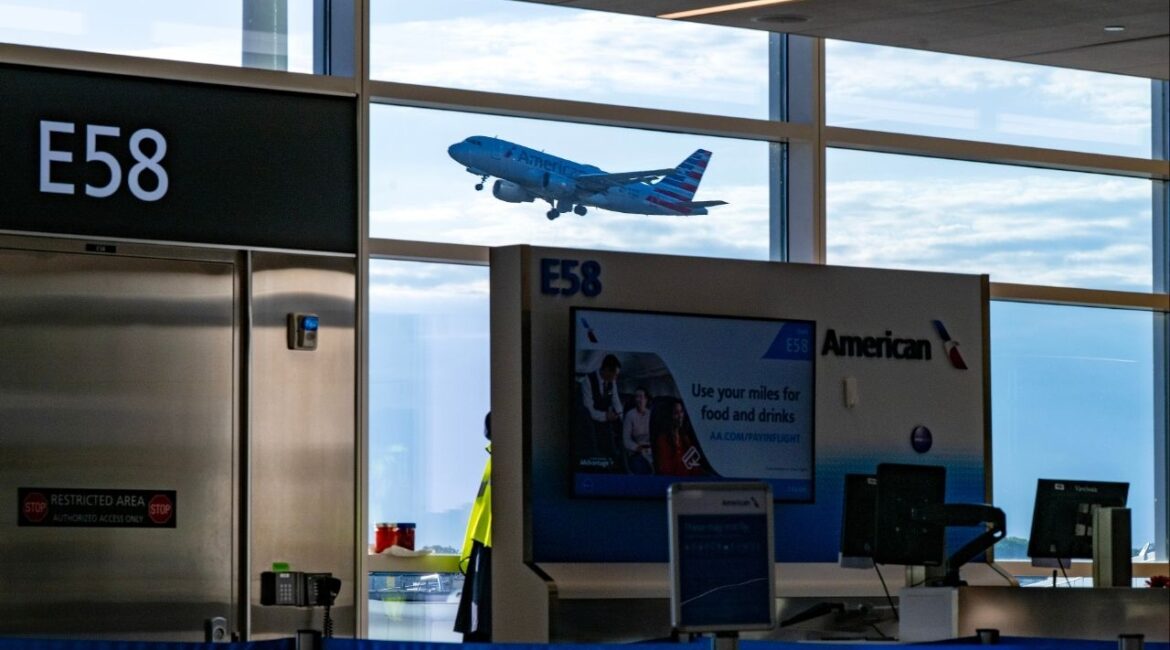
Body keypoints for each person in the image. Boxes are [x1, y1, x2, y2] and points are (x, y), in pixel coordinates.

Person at [454, 412, 492, 641]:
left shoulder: (504, 462)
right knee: (479, 630)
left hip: (489, 550)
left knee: (482, 631)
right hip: (484, 549)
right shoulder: (495, 461)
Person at [578, 354, 623, 462]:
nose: (615, 378)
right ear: (606, 370)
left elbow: (615, 400)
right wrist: (606, 416)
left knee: (611, 452)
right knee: (595, 454)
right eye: (615, 374)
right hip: (590, 425)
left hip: (606, 424)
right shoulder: (588, 381)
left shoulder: (611, 382)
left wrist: (622, 417)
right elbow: (589, 410)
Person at [652, 398, 711, 476]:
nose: (680, 416)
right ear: (670, 416)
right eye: (676, 413)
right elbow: (667, 469)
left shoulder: (684, 436)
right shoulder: (663, 440)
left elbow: (692, 459)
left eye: (681, 412)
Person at [622, 387, 654, 474]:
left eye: (641, 397)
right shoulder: (630, 415)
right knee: (640, 466)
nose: (638, 399)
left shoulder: (651, 414)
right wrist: (637, 448)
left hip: (651, 450)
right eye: (636, 397)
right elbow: (626, 440)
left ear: (646, 399)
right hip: (636, 451)